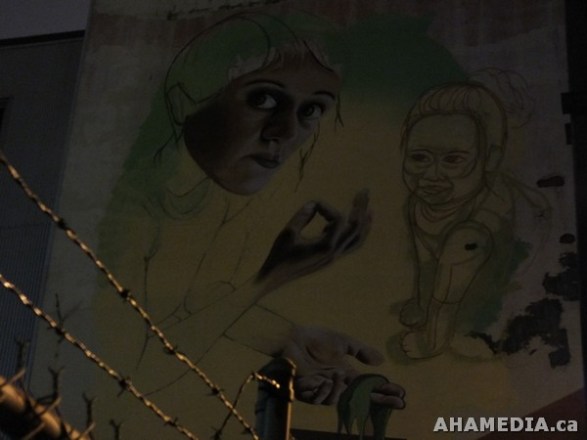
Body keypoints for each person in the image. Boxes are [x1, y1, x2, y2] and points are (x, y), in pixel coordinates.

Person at [93, 12, 404, 437]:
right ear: (185, 101)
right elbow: (131, 368)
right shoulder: (130, 212)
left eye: (312, 110)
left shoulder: (221, 200)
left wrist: (290, 341)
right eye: (263, 100)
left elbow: (192, 306)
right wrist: (269, 279)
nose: (285, 131)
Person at [398, 80, 549, 359]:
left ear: (490, 159)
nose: (431, 175)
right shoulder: (418, 204)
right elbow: (426, 261)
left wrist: (430, 341)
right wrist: (421, 303)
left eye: (453, 160)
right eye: (419, 157)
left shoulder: (478, 225)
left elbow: (447, 298)